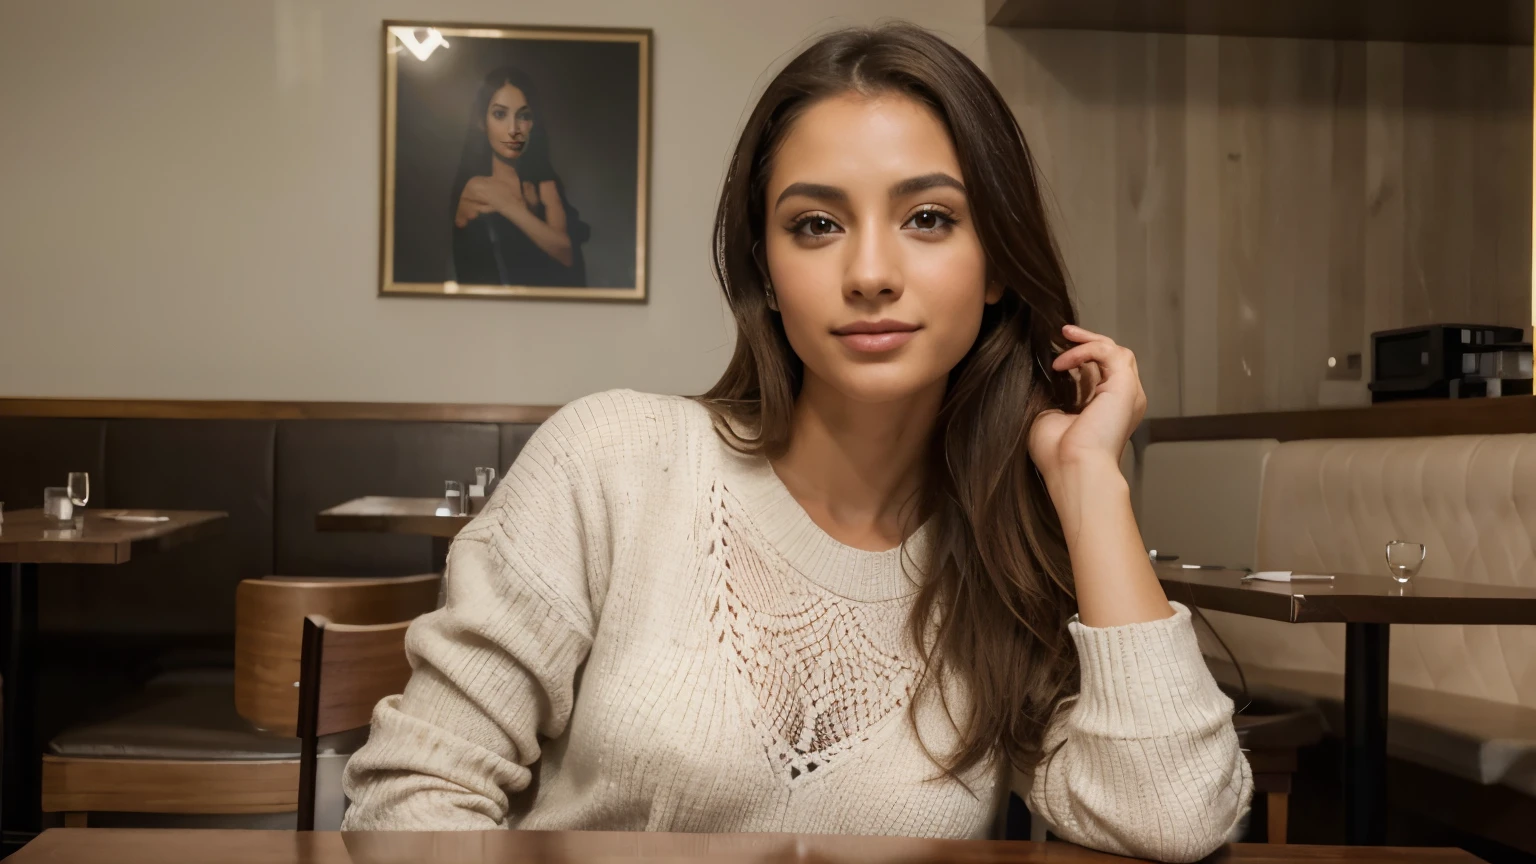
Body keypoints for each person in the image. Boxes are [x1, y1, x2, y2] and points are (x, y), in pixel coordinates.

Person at [343, 23, 1250, 861]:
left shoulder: (1007, 553)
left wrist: (1091, 480)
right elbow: (413, 801)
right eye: (816, 225)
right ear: (767, 276)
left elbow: (1171, 812)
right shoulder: (612, 460)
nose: (869, 274)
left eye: (928, 218)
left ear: (999, 267)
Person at [450, 65, 589, 287]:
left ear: (532, 123)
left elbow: (565, 252)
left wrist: (508, 205)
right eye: (499, 114)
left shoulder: (543, 183)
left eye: (523, 116)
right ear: (481, 123)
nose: (513, 129)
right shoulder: (476, 188)